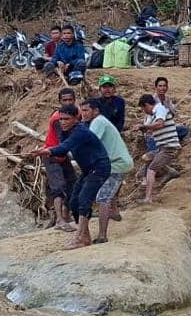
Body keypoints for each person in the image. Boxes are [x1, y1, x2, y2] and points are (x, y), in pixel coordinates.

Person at [25, 104, 110, 249]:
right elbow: (62, 149)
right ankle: (84, 236)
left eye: (66, 119)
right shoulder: (67, 131)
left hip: (99, 168)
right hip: (88, 170)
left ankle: (81, 237)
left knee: (84, 199)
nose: (63, 122)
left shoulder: (80, 131)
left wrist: (46, 151)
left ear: (76, 119)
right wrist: (47, 151)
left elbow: (64, 147)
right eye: (61, 119)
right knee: (74, 202)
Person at [81, 99, 133, 244]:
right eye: (82, 110)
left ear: (95, 111)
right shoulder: (101, 121)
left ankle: (102, 235)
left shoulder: (98, 122)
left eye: (86, 110)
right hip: (119, 162)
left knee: (103, 197)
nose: (83, 114)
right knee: (108, 192)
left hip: (117, 164)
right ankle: (115, 212)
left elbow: (89, 142)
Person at [42, 88, 79, 230]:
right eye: (65, 100)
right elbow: (63, 140)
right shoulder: (58, 119)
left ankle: (67, 215)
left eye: (70, 100)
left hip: (62, 154)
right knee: (58, 187)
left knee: (72, 183)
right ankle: (59, 219)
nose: (68, 102)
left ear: (74, 100)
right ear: (60, 101)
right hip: (52, 154)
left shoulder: (76, 114)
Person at [136, 94, 181, 203]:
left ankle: (148, 198)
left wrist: (144, 127)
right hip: (163, 147)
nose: (144, 111)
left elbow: (160, 124)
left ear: (147, 105)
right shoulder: (153, 114)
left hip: (169, 147)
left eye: (143, 108)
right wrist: (144, 128)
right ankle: (170, 172)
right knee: (147, 158)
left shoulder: (159, 109)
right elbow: (150, 127)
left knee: (151, 170)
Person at [147, 76, 190, 152]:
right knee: (154, 147)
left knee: (184, 130)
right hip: (156, 131)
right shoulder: (151, 100)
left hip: (167, 129)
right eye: (160, 86)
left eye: (164, 86)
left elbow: (172, 114)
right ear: (156, 87)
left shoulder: (167, 99)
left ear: (167, 87)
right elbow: (150, 120)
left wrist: (168, 108)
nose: (162, 88)